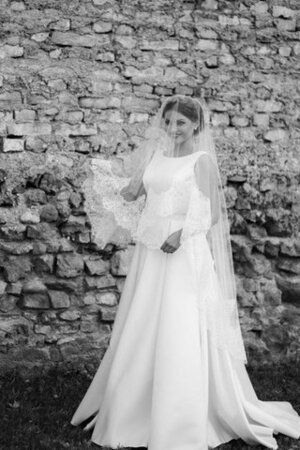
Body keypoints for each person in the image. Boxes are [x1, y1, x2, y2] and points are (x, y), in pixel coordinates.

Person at [71, 95, 300, 450]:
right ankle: (133, 408)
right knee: (145, 321)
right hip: (151, 254)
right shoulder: (155, 157)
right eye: (168, 122)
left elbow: (212, 214)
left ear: (196, 125)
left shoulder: (201, 161)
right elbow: (133, 195)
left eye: (181, 123)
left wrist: (180, 235)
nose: (173, 129)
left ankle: (180, 414)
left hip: (183, 253)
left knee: (178, 324)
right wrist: (104, 177)